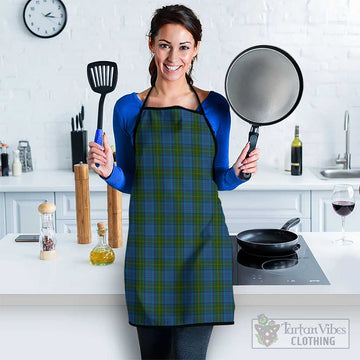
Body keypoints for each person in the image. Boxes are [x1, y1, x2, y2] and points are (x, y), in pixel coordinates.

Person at [88, 4, 260, 359]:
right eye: (165, 45)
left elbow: (218, 179)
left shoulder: (214, 106)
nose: (173, 56)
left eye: (184, 46)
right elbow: (133, 180)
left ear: (196, 49)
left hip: (203, 249)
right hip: (150, 250)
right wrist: (108, 171)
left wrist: (239, 173)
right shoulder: (128, 108)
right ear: (151, 45)